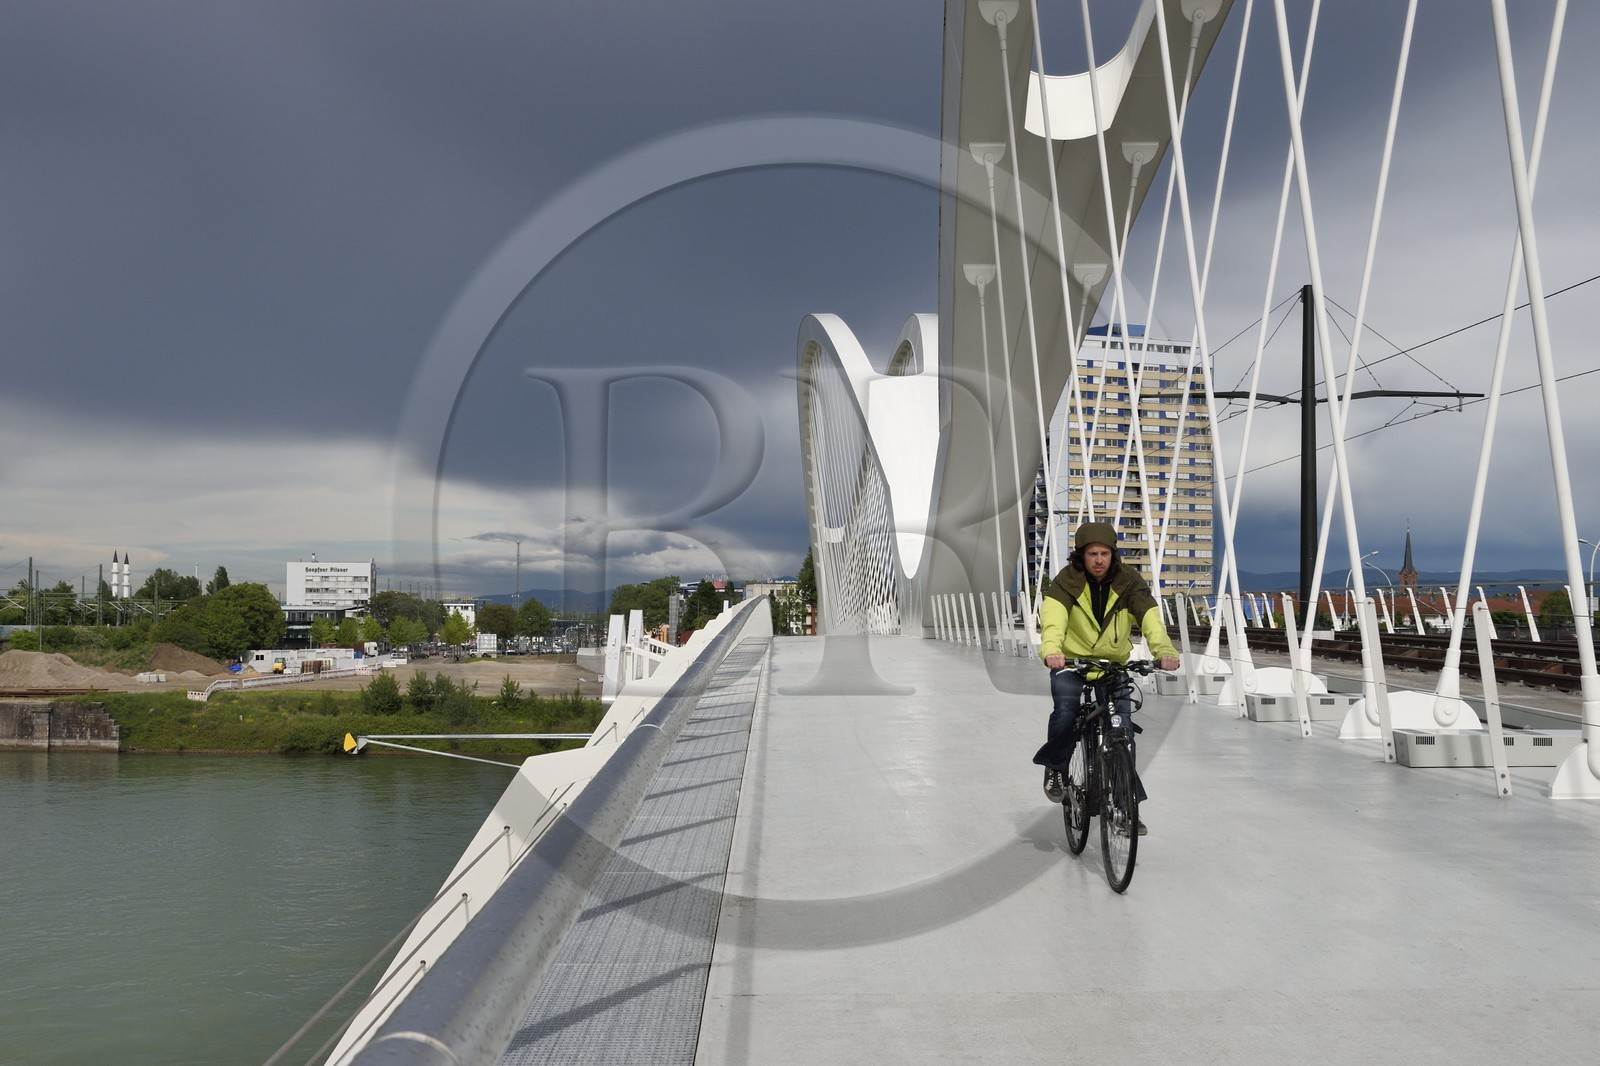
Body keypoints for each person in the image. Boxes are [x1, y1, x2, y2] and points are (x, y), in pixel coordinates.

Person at [1034, 521, 1181, 832]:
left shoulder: (1129, 582)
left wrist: (1164, 651)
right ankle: (1056, 767)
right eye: (1092, 554)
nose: (1099, 560)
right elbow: (1053, 622)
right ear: (1081, 556)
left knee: (1122, 732)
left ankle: (1126, 808)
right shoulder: (1066, 582)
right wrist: (1052, 650)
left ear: (1113, 555)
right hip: (1071, 663)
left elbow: (1150, 619)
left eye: (1104, 554)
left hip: (1112, 666)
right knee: (1066, 712)